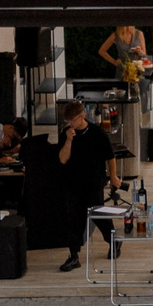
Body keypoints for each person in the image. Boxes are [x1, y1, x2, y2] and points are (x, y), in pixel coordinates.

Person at [53, 99, 117, 272]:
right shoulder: (66, 134)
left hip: (93, 181)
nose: (70, 124)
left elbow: (110, 157)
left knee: (98, 214)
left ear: (82, 116)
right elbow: (62, 159)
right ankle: (74, 255)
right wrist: (68, 140)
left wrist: (113, 176)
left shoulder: (97, 133)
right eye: (67, 121)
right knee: (74, 219)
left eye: (72, 120)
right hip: (72, 183)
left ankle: (113, 240)